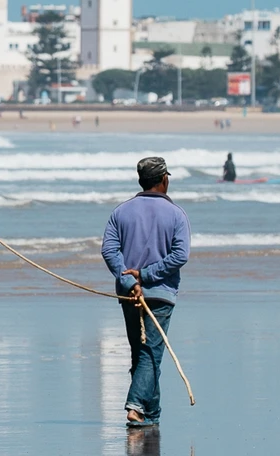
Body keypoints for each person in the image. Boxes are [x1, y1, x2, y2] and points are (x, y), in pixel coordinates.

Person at [101, 157, 190, 429]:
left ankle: (151, 414)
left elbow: (109, 251)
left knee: (142, 354)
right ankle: (136, 406)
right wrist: (144, 277)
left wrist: (131, 280)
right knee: (150, 354)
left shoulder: (120, 212)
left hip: (130, 294)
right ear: (164, 180)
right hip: (160, 293)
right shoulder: (177, 214)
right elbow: (180, 255)